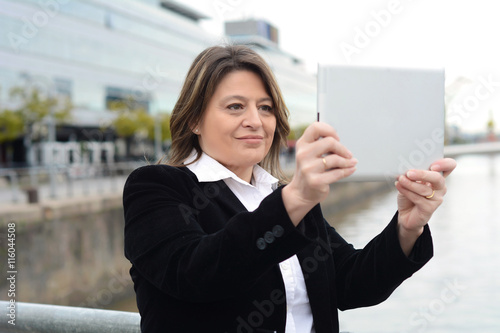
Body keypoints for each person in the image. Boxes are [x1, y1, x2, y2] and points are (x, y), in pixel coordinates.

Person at [123, 45, 456, 333]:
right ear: (194, 119)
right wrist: (295, 198)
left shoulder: (284, 196)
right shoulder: (156, 187)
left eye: (265, 107)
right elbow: (196, 273)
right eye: (235, 106)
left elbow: (351, 283)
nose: (256, 120)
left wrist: (407, 227)